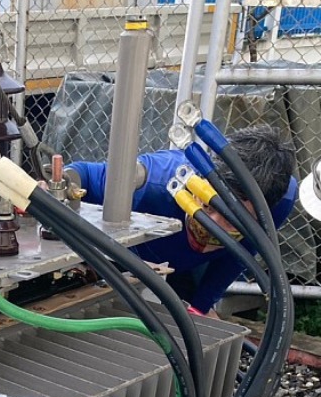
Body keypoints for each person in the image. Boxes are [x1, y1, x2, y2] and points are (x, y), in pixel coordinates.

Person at [64, 125, 298, 315]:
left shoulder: (278, 201)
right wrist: (56, 183)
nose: (213, 225)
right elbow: (84, 175)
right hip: (119, 258)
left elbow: (241, 253)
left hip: (181, 267)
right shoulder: (155, 183)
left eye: (232, 219)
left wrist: (201, 306)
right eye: (208, 205)